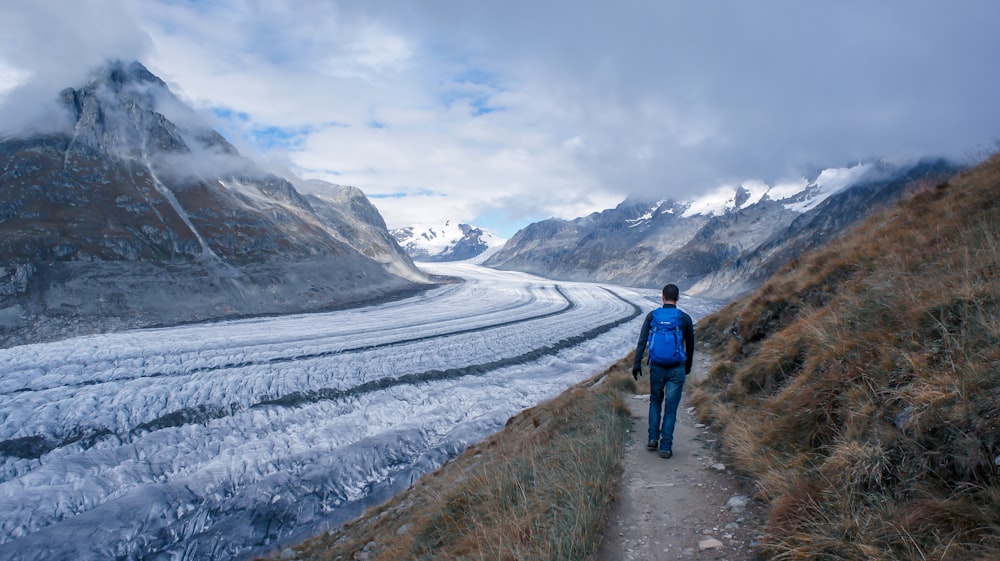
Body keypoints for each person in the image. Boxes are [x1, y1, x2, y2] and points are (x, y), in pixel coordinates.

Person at [632, 284, 695, 459]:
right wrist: (688, 366)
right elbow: (690, 346)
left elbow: (642, 341)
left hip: (657, 367)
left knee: (655, 400)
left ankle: (653, 438)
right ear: (678, 298)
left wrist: (636, 364)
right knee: (671, 408)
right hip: (677, 368)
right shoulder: (685, 318)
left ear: (662, 296)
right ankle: (665, 447)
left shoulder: (652, 316)